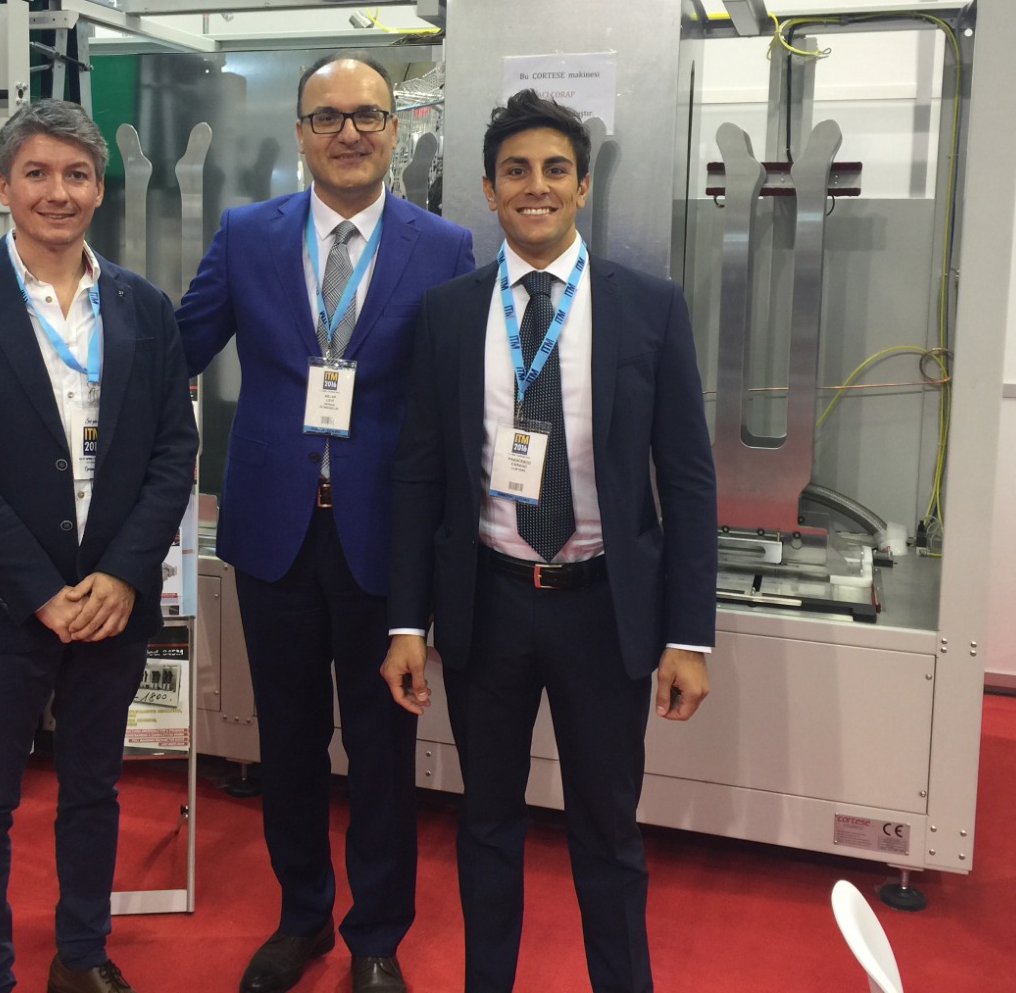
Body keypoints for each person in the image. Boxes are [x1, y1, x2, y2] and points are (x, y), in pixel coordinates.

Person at [380, 88, 718, 992]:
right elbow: (418, 475)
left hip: (603, 611)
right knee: (487, 825)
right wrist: (407, 622)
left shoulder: (648, 308)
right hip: (487, 607)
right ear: (490, 190)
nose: (537, 186)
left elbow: (688, 480)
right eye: (516, 171)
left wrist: (688, 636)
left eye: (555, 170)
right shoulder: (450, 314)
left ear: (582, 186)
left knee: (608, 832)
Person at [177, 53, 474, 993]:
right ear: (300, 133)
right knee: (290, 741)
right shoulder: (247, 235)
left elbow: (462, 403)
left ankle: (376, 936)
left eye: (368, 115)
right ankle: (302, 917)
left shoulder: (445, 248)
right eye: (328, 117)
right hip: (273, 535)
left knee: (383, 751)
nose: (349, 133)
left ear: (397, 129)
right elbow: (178, 346)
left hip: (386, 540)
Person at [0, 99, 198, 993]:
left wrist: (123, 573)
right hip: (2, 602)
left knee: (94, 789)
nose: (58, 193)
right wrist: (40, 589)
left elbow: (173, 452)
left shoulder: (145, 308)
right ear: (3, 186)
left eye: (76, 175)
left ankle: (82, 953)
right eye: (36, 174)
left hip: (113, 600)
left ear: (100, 189)